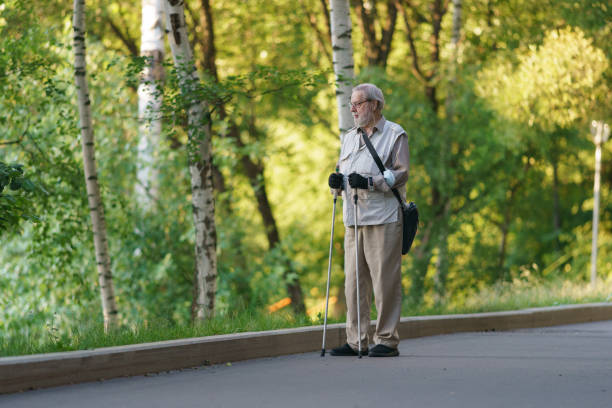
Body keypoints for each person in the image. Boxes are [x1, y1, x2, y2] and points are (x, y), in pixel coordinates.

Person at [328, 83, 409, 357]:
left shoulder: (395, 134)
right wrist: (334, 182)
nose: (352, 109)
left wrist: (371, 182)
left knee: (384, 282)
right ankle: (356, 341)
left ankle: (386, 340)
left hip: (383, 219)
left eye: (358, 103)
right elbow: (342, 172)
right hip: (353, 220)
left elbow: (401, 174)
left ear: (375, 104)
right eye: (351, 104)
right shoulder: (349, 137)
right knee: (353, 284)